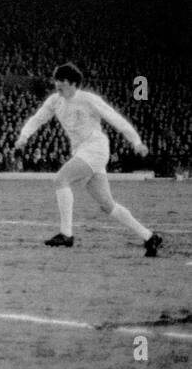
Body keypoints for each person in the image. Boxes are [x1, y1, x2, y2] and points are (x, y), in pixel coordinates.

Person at [14, 63, 162, 255]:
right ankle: (150, 237)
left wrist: (136, 141)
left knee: (60, 179)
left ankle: (66, 235)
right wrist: (24, 136)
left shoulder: (88, 99)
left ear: (73, 83)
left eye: (62, 81)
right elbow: (37, 118)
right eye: (56, 80)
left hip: (95, 148)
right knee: (107, 205)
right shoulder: (54, 101)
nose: (58, 84)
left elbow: (115, 118)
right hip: (81, 151)